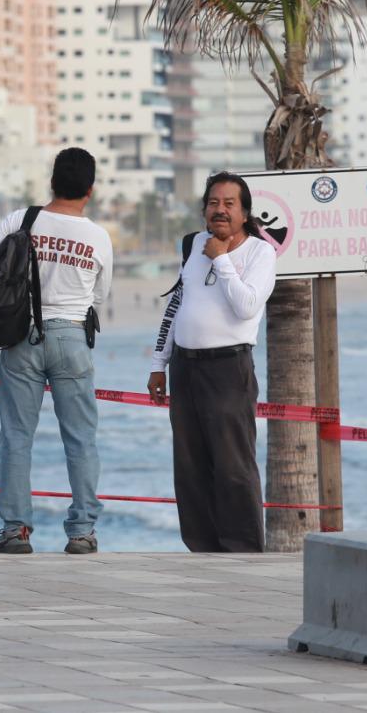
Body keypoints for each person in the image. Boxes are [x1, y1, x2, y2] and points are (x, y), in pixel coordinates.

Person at [0, 146, 113, 556]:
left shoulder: (22, 220)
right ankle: (81, 531)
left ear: (52, 181)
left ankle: (16, 530)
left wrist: (7, 299)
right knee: (81, 439)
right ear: (90, 189)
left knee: (16, 437)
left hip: (22, 338)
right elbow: (99, 296)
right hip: (72, 338)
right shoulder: (98, 236)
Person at [148, 171, 277, 552]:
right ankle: (202, 548)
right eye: (213, 203)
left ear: (244, 212)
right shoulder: (192, 245)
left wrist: (221, 260)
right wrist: (159, 362)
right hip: (185, 368)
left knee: (233, 464)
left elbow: (246, 306)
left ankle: (243, 548)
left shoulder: (260, 252)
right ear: (204, 209)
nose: (220, 210)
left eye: (229, 204)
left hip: (228, 368)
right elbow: (177, 305)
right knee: (189, 465)